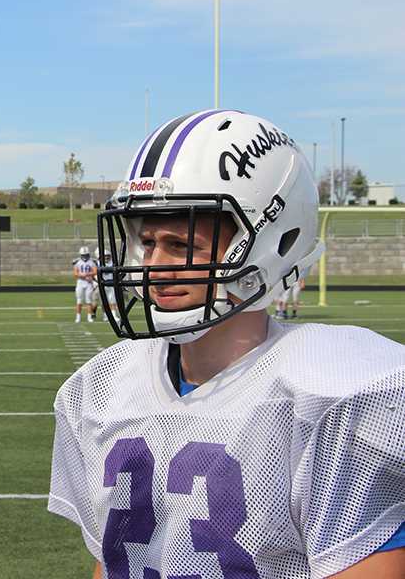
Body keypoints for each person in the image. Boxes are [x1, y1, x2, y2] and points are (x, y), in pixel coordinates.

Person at [47, 109, 404, 578]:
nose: (155, 266)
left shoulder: (335, 393)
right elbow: (113, 563)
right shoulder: (98, 390)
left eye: (182, 245)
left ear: (275, 241)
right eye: (148, 241)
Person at [74, 245, 97, 322]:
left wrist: (87, 274)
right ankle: (78, 317)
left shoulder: (92, 262)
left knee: (88, 300)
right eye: (84, 255)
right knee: (79, 301)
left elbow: (95, 271)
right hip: (80, 282)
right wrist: (82, 275)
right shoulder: (77, 262)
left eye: (86, 255)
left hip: (88, 283)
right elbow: (75, 273)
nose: (85, 256)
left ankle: (89, 317)